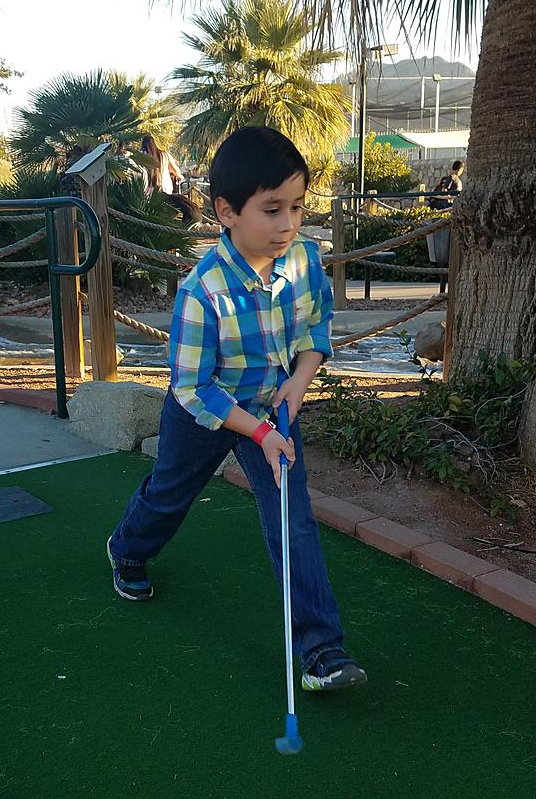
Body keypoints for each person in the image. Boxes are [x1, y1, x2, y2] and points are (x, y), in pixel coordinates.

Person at [107, 125, 367, 692]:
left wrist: (300, 379)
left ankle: (323, 651)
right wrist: (256, 431)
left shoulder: (304, 258)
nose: (288, 224)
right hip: (205, 411)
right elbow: (193, 386)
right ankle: (127, 548)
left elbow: (316, 325)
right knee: (170, 494)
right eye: (271, 210)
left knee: (291, 522)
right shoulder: (203, 289)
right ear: (227, 211)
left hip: (273, 409)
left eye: (297, 207)